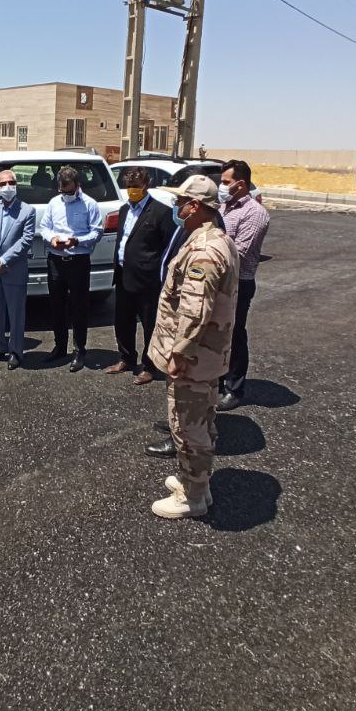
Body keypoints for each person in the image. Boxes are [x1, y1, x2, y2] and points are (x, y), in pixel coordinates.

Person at [143, 175, 239, 519]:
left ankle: (192, 497)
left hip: (194, 358)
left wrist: (180, 353)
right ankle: (197, 482)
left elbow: (195, 310)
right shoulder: (213, 238)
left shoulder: (204, 251)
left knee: (187, 426)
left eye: (180, 202)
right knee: (201, 419)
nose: (176, 207)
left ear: (195, 206)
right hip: (207, 355)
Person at [107, 166, 177, 386]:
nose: (132, 190)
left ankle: (150, 366)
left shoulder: (161, 212)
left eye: (136, 186)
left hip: (148, 280)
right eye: (128, 186)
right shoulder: (124, 210)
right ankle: (127, 358)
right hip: (123, 275)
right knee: (123, 321)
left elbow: (168, 247)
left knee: (150, 325)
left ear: (146, 185)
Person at [216, 159, 271, 411]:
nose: (221, 186)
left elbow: (239, 252)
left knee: (234, 334)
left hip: (238, 283)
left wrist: (208, 251)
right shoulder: (223, 207)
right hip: (217, 281)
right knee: (217, 334)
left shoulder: (255, 213)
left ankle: (234, 388)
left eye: (225, 182)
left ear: (240, 184)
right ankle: (217, 380)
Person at [39, 166, 103, 372]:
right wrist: (52, 238)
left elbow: (97, 232)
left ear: (78, 185)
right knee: (56, 305)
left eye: (70, 191)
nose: (66, 195)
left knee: (79, 307)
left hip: (78, 261)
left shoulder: (89, 204)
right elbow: (44, 227)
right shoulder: (53, 203)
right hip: (55, 261)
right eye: (62, 191)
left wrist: (77, 241)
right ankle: (60, 347)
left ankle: (79, 350)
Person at [0, 170, 36, 369]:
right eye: (3, 184)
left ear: (16, 185)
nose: (8, 186)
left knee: (16, 314)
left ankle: (16, 351)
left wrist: (3, 260)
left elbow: (26, 240)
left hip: (13, 269)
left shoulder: (27, 210)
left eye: (11, 182)